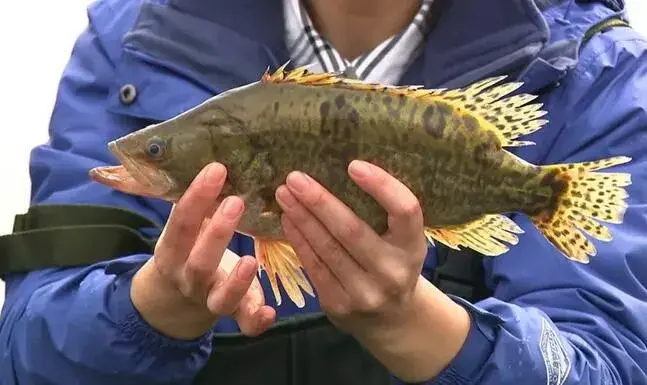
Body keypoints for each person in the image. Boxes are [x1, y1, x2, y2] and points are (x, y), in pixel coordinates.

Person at [1, 0, 646, 384]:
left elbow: (615, 363)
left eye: (158, 151)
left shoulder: (595, 70)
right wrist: (152, 308)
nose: (145, 156)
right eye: (157, 149)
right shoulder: (127, 46)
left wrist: (420, 325)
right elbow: (25, 354)